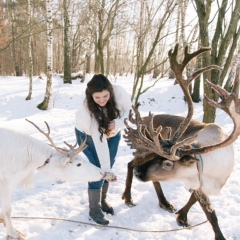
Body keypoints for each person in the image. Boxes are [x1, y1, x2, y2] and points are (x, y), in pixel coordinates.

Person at [75, 74, 132, 225]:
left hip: (113, 132)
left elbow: (130, 112)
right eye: (97, 97)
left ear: (111, 91)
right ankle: (94, 209)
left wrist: (118, 123)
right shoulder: (87, 108)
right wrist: (106, 170)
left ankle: (102, 200)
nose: (101, 100)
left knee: (109, 163)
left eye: (105, 96)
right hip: (88, 135)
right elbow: (98, 140)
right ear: (91, 95)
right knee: (98, 168)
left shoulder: (119, 92)